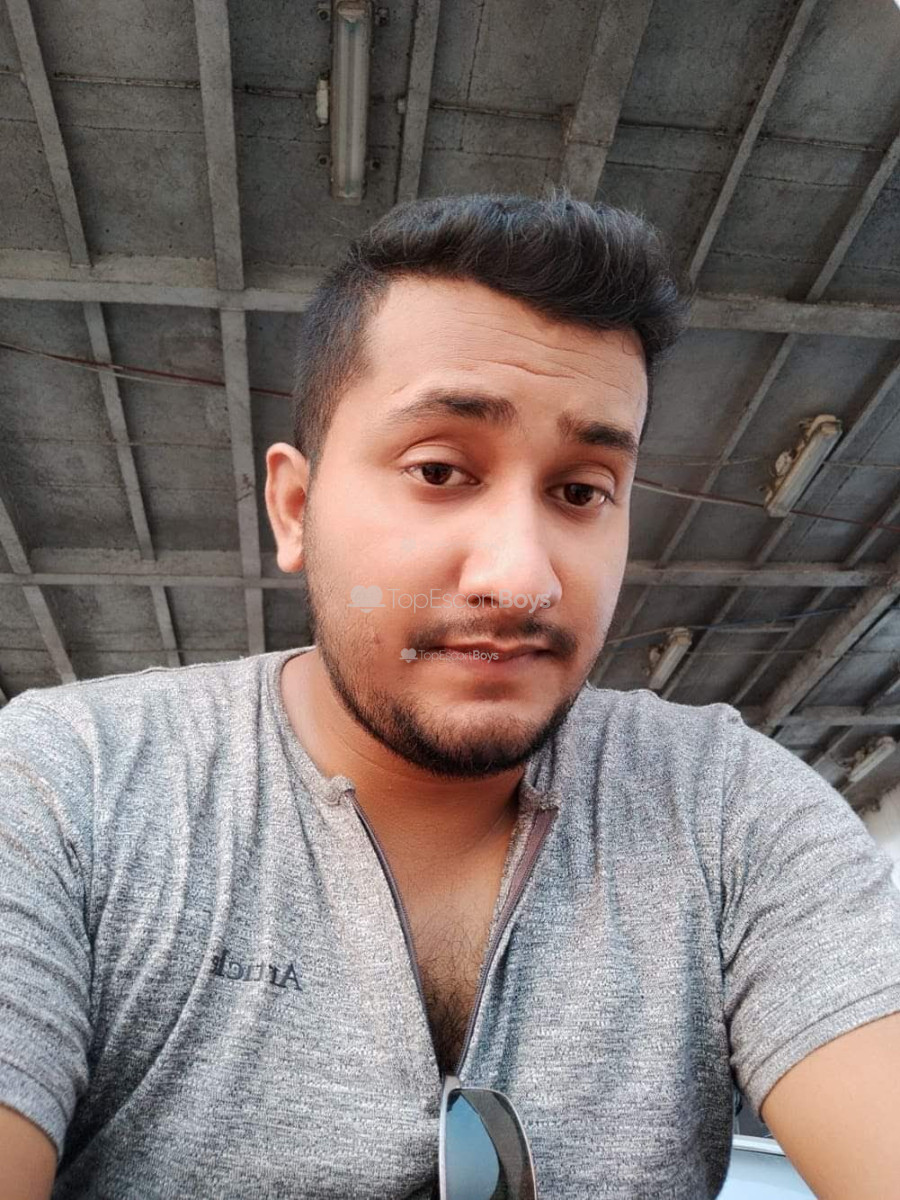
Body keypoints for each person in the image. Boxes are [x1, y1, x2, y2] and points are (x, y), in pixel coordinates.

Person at [1, 191, 899, 1200]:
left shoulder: (729, 813)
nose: (520, 579)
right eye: (439, 470)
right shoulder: (67, 790)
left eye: (581, 491)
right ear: (295, 509)